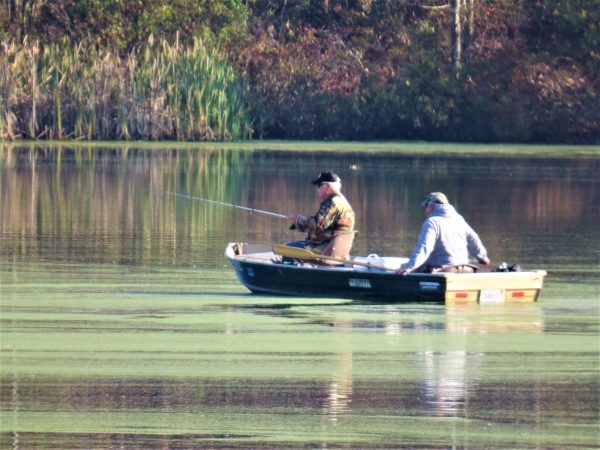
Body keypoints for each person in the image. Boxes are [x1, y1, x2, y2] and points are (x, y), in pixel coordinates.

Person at [394, 192, 490, 274]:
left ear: (432, 206)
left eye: (426, 206)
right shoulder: (459, 219)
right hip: (464, 268)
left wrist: (408, 267)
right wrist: (483, 257)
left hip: (442, 269)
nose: (425, 210)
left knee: (408, 269)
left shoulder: (432, 222)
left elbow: (424, 247)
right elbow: (474, 239)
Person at [286, 171, 355, 257]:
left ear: (329, 186)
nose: (317, 189)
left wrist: (298, 219)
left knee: (288, 249)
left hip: (327, 248)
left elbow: (317, 225)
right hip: (332, 247)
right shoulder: (339, 200)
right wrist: (297, 225)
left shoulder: (333, 203)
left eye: (319, 185)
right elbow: (323, 226)